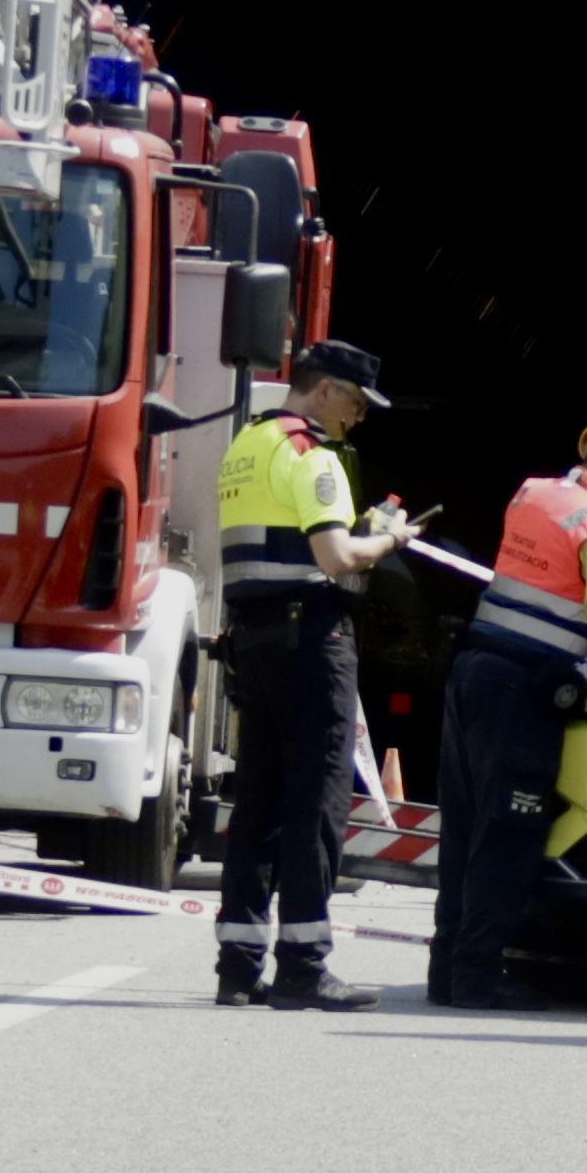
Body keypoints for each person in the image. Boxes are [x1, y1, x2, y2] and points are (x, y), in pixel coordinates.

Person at [428, 400, 587, 1010]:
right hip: (522, 690)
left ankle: (448, 969)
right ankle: (478, 975)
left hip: (473, 674)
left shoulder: (530, 494)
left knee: (463, 829)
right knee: (509, 833)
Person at [208, 339, 411, 1009]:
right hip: (310, 642)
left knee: (258, 803)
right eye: (356, 401)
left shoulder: (247, 446)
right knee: (317, 805)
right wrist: (387, 537)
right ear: (323, 390)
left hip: (255, 643)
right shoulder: (313, 456)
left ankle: (237, 966)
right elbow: (334, 555)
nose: (358, 417)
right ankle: (303, 962)